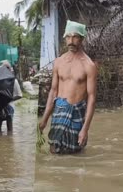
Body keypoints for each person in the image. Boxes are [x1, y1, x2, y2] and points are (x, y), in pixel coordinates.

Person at [39, 20, 98, 154]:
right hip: (59, 112)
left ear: (82, 38)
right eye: (68, 37)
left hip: (76, 113)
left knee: (76, 152)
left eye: (75, 37)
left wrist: (85, 129)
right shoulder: (58, 62)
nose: (71, 41)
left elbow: (92, 99)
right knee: (53, 150)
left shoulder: (89, 65)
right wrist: (44, 121)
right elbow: (53, 92)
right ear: (65, 38)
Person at [0, 60, 23, 132]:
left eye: (7, 68)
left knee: (7, 129)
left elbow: (19, 95)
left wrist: (9, 99)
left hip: (8, 106)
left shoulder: (14, 81)